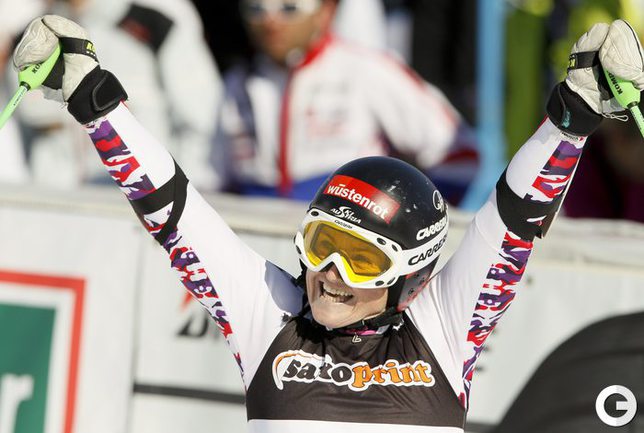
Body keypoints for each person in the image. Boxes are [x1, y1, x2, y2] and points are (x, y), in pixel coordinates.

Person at [12, 14, 644, 432]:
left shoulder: (443, 331)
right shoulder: (270, 318)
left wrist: (572, 116)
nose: (332, 275)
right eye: (323, 245)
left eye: (363, 259)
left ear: (410, 277)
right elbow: (175, 215)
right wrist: (93, 98)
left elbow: (512, 224)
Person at [212, 0, 477, 203]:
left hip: (347, 240)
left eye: (289, 8)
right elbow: (210, 179)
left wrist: (415, 218)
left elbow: (460, 153)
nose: (271, 22)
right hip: (261, 240)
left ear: (325, 11)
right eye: (256, 9)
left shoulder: (365, 69)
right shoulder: (236, 83)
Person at [15, 0, 222, 190]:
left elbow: (204, 125)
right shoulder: (31, 41)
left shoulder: (155, 25)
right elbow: (16, 143)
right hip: (54, 209)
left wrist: (171, 200)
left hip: (140, 209)